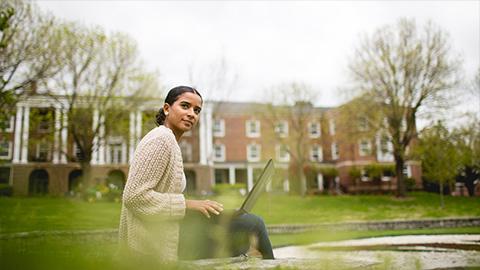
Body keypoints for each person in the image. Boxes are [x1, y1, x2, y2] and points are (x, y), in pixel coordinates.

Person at [118, 86, 274, 264]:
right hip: (155, 241)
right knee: (253, 224)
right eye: (185, 106)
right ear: (167, 108)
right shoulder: (161, 140)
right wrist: (188, 204)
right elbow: (134, 197)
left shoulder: (169, 141)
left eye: (197, 110)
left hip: (172, 228)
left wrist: (201, 209)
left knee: (243, 226)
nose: (192, 114)